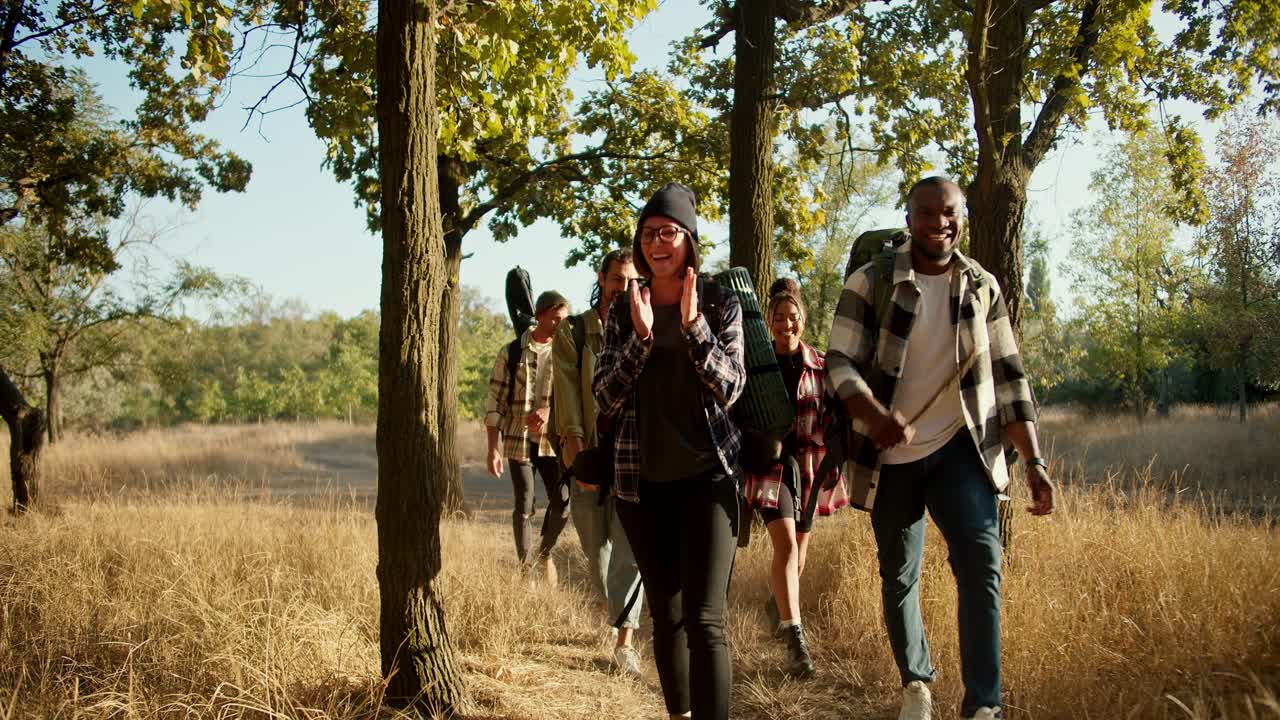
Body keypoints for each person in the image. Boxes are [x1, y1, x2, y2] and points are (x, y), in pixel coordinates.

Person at [826, 176, 1056, 720]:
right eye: (926, 213)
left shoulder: (982, 285)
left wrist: (1035, 461)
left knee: (982, 563)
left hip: (962, 448)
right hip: (890, 459)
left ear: (962, 216)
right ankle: (916, 684)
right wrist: (872, 415)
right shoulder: (871, 281)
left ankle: (983, 704)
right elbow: (839, 361)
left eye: (948, 212)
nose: (938, 222)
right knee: (899, 573)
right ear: (908, 219)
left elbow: (1009, 378)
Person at [593, 183, 746, 720]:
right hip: (642, 484)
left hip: (709, 479)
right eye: (648, 233)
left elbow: (732, 386)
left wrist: (692, 327)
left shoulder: (720, 302)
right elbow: (606, 393)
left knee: (707, 618)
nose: (657, 242)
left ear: (690, 240)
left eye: (669, 232)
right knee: (667, 613)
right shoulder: (621, 311)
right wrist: (639, 336)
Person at [741, 279, 848, 678]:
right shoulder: (756, 364)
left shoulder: (820, 365)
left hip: (809, 467)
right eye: (779, 318)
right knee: (785, 546)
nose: (786, 324)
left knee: (798, 558)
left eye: (792, 318)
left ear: (802, 320)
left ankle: (778, 607)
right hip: (772, 467)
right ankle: (796, 640)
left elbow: (833, 415)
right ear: (768, 321)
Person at [553, 247, 645, 676]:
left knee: (630, 549)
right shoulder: (574, 331)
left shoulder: (644, 326)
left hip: (634, 458)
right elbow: (568, 399)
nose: (624, 289)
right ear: (602, 280)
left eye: (631, 281)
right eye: (616, 281)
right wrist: (578, 461)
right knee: (598, 551)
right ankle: (614, 616)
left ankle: (625, 639)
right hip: (589, 456)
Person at [484, 290, 573, 586]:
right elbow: (495, 399)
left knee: (562, 500)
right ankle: (525, 572)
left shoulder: (566, 352)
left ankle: (544, 554)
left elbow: (572, 395)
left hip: (552, 442)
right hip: (517, 440)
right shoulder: (511, 352)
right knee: (524, 505)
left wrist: (549, 410)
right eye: (557, 319)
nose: (562, 325)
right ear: (543, 315)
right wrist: (492, 448)